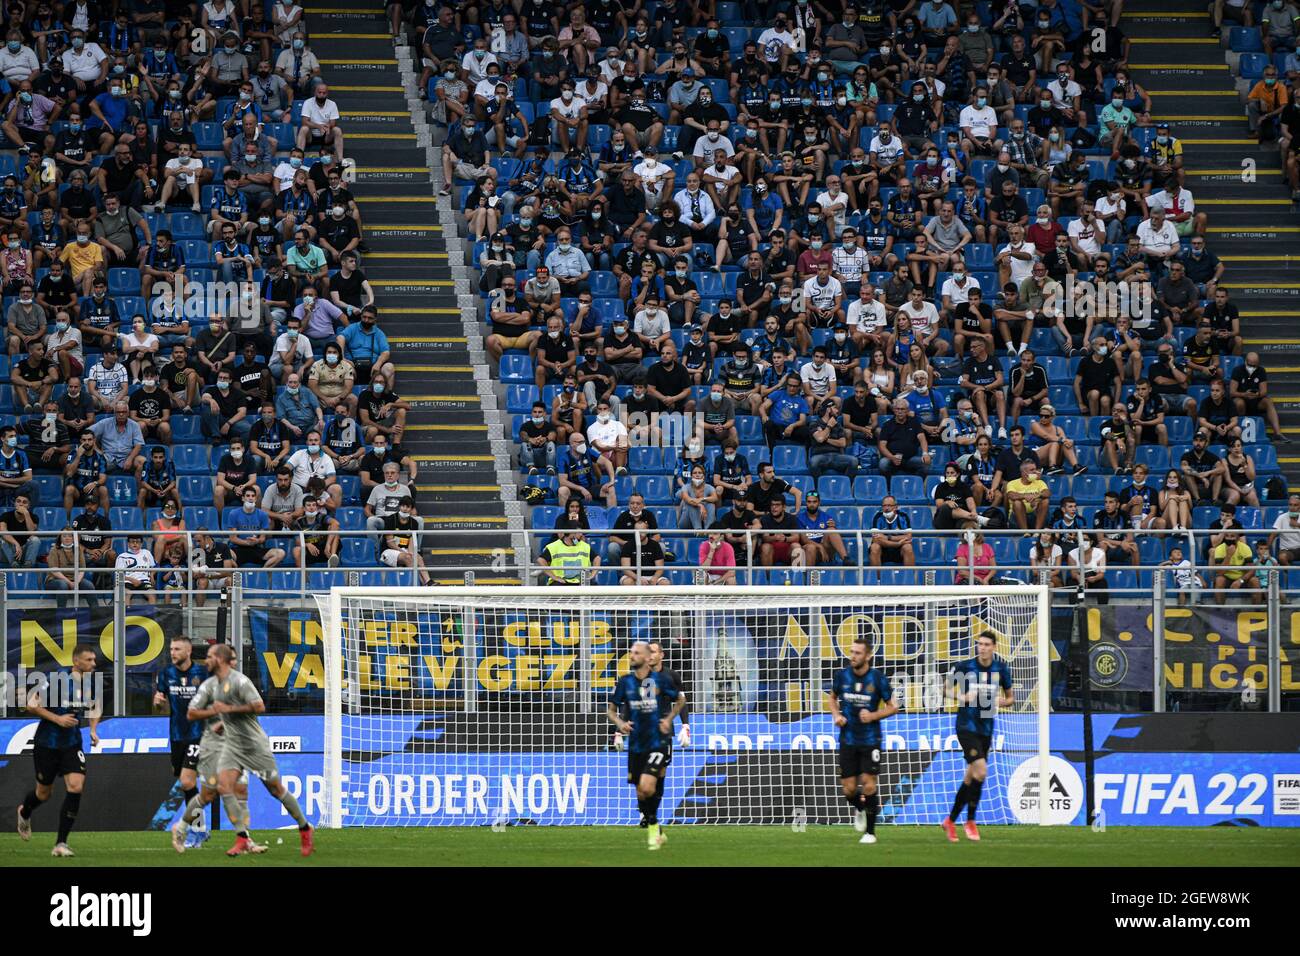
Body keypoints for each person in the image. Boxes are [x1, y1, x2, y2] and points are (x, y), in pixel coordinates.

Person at [173, 643, 314, 856]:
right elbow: (193, 713)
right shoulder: (211, 684)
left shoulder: (240, 681)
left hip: (253, 744)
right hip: (231, 746)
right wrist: (219, 718)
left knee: (275, 789)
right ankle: (241, 838)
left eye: (210, 656)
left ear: (220, 659)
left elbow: (259, 707)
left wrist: (229, 710)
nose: (206, 660)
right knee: (223, 787)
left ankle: (304, 828)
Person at [16, 643, 100, 857]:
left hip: (72, 743)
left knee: (76, 786)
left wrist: (93, 729)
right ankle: (24, 812)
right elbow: (31, 704)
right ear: (76, 662)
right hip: (47, 744)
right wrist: (57, 719)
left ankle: (61, 843)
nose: (93, 663)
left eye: (94, 660)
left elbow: (95, 706)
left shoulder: (92, 683)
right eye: (89, 660)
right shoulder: (57, 680)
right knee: (43, 794)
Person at [608, 640, 684, 851]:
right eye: (631, 652)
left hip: (658, 741)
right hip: (636, 744)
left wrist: (669, 720)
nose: (632, 656)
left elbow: (680, 700)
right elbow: (612, 710)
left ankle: (653, 831)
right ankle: (654, 825)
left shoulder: (661, 679)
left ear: (646, 657)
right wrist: (620, 725)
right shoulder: (625, 682)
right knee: (641, 792)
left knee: (649, 785)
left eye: (636, 653)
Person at [941, 631, 1012, 843]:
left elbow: (1010, 699)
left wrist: (1001, 701)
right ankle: (970, 821)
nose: (982, 648)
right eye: (979, 644)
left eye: (987, 644)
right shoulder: (965, 667)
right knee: (981, 772)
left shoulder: (1001, 669)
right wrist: (961, 696)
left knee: (971, 776)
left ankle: (950, 821)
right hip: (966, 726)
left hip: (986, 727)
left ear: (994, 647)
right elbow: (944, 690)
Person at [830, 637, 898, 846]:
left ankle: (870, 833)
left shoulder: (877, 679)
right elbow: (832, 697)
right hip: (848, 739)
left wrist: (873, 716)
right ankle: (859, 808)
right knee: (849, 789)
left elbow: (893, 706)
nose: (853, 656)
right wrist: (836, 716)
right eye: (851, 652)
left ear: (868, 656)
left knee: (869, 786)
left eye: (858, 653)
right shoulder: (842, 676)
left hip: (870, 740)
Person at [153, 636, 209, 848]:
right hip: (177, 736)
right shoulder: (166, 674)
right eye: (171, 649)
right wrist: (158, 703)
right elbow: (160, 704)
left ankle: (197, 830)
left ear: (189, 651)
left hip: (199, 734)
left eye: (177, 649)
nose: (173, 653)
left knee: (187, 782)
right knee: (187, 785)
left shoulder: (203, 673)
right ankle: (200, 829)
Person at [1212, 529, 1259, 605]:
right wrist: (1228, 556)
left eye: (1232, 536)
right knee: (1219, 580)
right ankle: (1220, 611)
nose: (1229, 538)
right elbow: (1219, 572)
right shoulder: (1219, 549)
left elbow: (1251, 570)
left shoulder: (1245, 548)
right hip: (1226, 577)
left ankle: (1257, 612)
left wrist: (1240, 581)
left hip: (1242, 577)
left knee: (1255, 581)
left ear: (1237, 538)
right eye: (1227, 536)